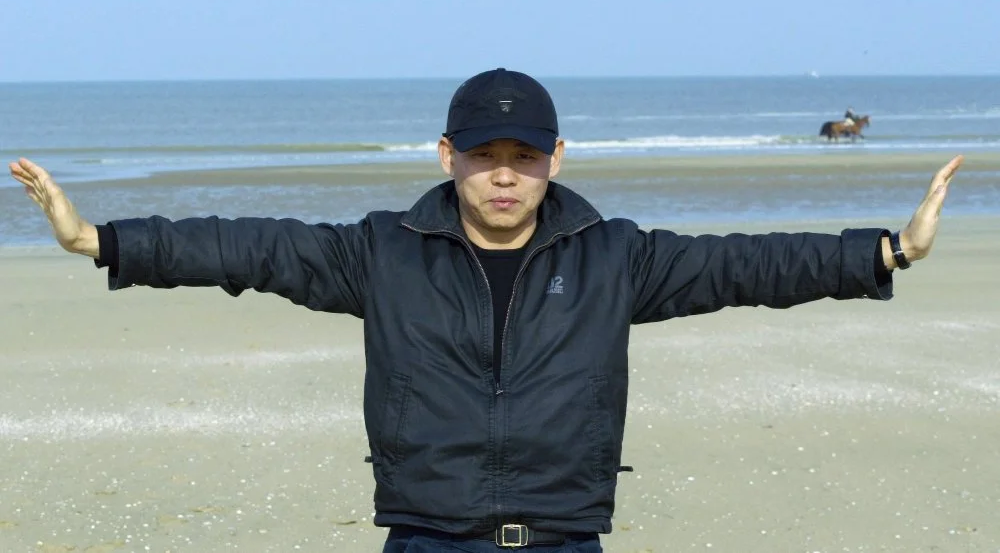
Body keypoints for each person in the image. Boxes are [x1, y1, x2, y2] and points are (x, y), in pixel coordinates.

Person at [9, 68, 963, 553]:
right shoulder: (380, 253)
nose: (504, 175)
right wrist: (102, 239)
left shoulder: (614, 258)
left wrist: (884, 251)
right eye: (483, 154)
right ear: (445, 155)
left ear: (556, 157)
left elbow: (747, 265)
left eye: (525, 155)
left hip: (564, 536)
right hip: (426, 537)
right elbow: (252, 247)